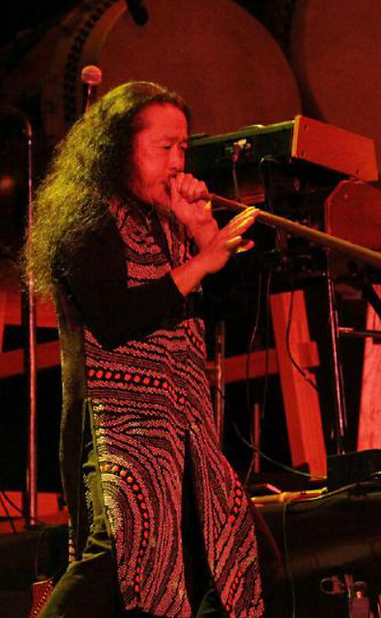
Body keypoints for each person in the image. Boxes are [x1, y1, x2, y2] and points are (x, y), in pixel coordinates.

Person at [25, 81, 268, 618]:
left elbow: (223, 312)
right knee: (116, 559)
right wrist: (201, 263)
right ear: (119, 148)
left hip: (185, 429)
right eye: (164, 147)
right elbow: (115, 319)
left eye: (183, 147)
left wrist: (203, 235)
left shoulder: (167, 218)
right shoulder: (87, 215)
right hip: (120, 427)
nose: (178, 162)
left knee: (236, 556)